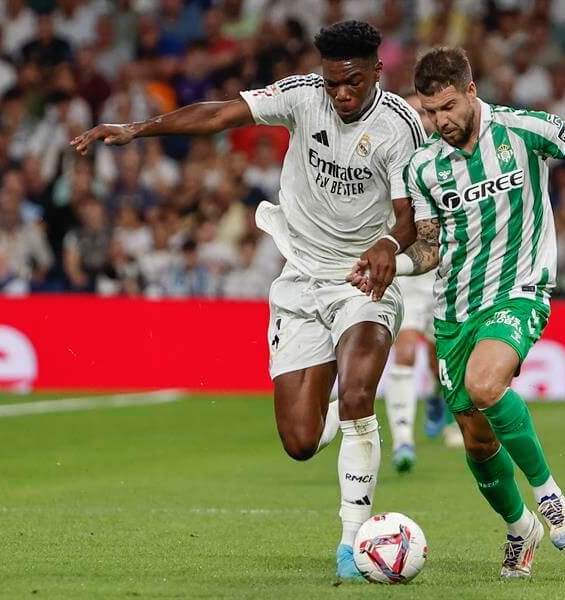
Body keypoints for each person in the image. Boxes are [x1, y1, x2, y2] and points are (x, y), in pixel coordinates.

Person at [70, 20, 424, 580]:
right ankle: (339, 407)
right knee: (300, 441)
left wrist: (386, 243)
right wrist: (139, 128)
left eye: (352, 81)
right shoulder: (303, 97)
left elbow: (410, 218)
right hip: (300, 278)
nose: (341, 94)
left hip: (362, 280)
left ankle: (353, 541)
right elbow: (217, 115)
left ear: (378, 70)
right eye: (333, 83)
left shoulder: (402, 128)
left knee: (358, 394)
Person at [350, 47, 565, 578]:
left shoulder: (523, 130)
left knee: (484, 383)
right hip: (454, 309)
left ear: (471, 91)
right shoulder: (422, 165)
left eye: (448, 107)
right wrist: (392, 268)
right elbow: (430, 247)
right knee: (477, 442)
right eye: (429, 112)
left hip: (520, 289)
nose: (439, 121)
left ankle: (549, 495)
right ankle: (522, 528)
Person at [383, 93, 450, 474]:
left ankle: (437, 397)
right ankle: (403, 440)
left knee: (439, 356)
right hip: (408, 268)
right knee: (406, 350)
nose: (422, 119)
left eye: (425, 112)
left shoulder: (445, 154)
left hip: (441, 268)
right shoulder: (392, 154)